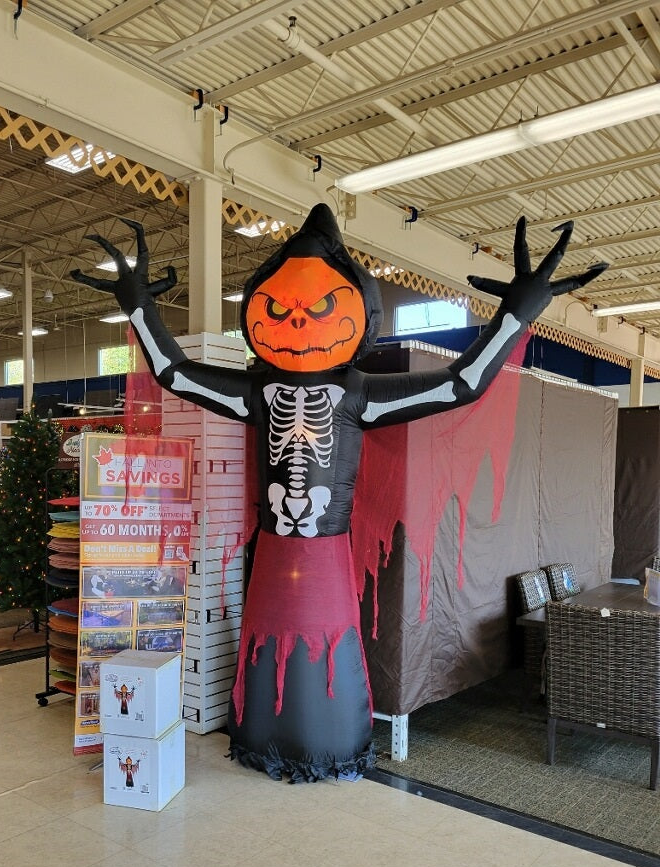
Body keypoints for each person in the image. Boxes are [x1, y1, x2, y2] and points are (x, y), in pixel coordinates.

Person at [73, 205, 606, 782]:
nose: (299, 319)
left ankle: (319, 739)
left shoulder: (348, 394)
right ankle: (265, 733)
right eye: (280, 308)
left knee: (322, 641)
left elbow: (462, 385)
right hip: (279, 550)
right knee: (286, 638)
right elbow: (174, 375)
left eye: (319, 305)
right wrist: (137, 306)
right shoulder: (266, 392)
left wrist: (514, 315)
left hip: (321, 550)